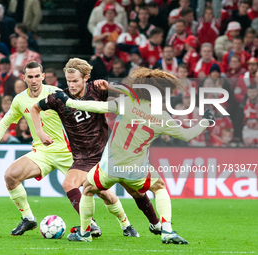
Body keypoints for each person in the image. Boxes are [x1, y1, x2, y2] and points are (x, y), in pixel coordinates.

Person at [56, 68, 215, 243]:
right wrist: (205, 122)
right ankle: (167, 231)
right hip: (136, 170)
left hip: (109, 167)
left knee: (87, 189)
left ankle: (85, 234)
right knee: (160, 187)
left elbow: (97, 106)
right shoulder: (163, 118)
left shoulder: (127, 103)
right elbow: (187, 135)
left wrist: (69, 102)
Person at [31, 58, 160, 237]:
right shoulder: (59, 98)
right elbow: (34, 108)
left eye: (75, 81)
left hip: (109, 152)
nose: (72, 85)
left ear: (86, 78)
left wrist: (110, 87)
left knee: (134, 190)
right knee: (70, 184)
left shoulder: (97, 89)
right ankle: (90, 225)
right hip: (83, 158)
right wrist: (40, 132)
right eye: (69, 81)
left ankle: (154, 223)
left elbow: (131, 96)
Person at [0, 61, 75, 236]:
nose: (34, 80)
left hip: (67, 151)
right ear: (23, 78)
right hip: (41, 153)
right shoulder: (19, 99)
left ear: (43, 76)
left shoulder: (56, 94)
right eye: (30, 77)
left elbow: (77, 117)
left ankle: (124, 224)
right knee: (10, 175)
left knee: (98, 186)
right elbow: (4, 123)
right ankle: (28, 219)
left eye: (37, 76)